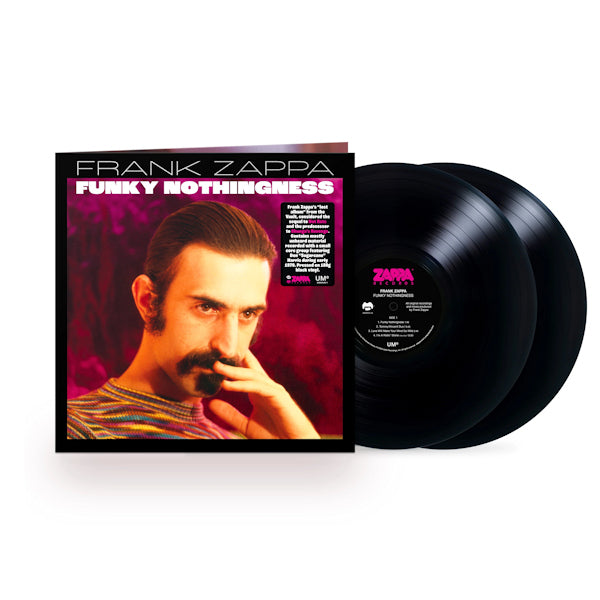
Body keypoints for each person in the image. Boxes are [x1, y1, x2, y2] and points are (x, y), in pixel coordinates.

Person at [67, 201, 320, 440]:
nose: (227, 347)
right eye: (207, 308)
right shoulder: (75, 429)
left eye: (247, 314)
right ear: (147, 301)